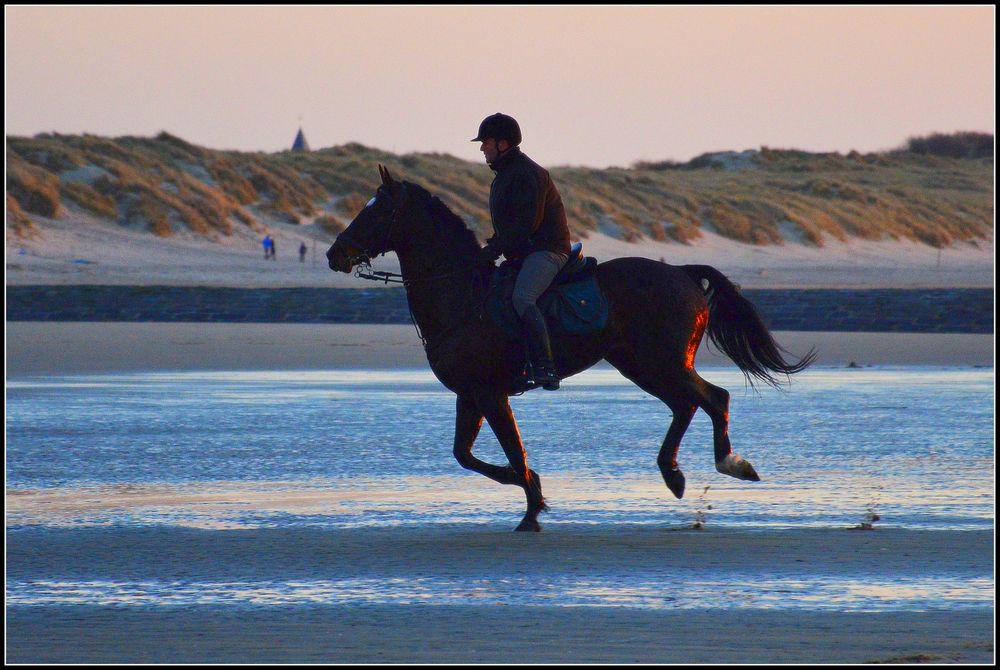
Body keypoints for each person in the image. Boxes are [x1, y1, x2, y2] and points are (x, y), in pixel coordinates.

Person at [472, 112, 571, 391]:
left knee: (522, 297)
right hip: (525, 252)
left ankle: (545, 368)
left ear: (503, 144)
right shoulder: (505, 174)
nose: (482, 148)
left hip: (547, 251)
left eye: (486, 142)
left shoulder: (528, 173)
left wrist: (491, 252)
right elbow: (508, 227)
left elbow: (526, 225)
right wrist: (490, 249)